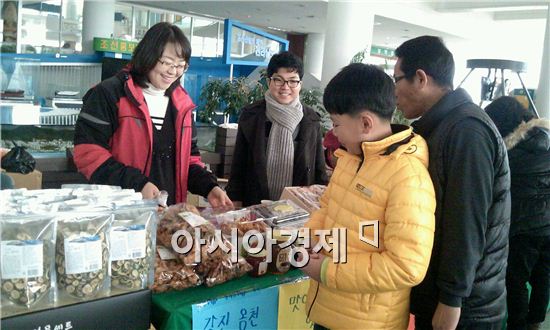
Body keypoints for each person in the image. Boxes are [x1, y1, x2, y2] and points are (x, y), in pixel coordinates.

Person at [302, 63, 436, 329]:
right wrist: (309, 241)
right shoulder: (351, 159)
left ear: (365, 123)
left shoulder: (407, 177)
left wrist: (329, 271)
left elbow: (406, 266)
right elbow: (327, 209)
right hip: (329, 309)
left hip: (367, 321)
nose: (334, 133)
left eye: (337, 124)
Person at [394, 35, 511, 329]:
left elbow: (467, 223)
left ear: (420, 78)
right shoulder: (440, 126)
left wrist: (452, 300)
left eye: (397, 79)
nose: (393, 91)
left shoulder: (467, 131)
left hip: (466, 309)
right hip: (441, 295)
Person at [74, 22, 232, 208]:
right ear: (147, 56)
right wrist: (137, 184)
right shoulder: (109, 94)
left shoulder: (182, 105)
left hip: (168, 216)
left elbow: (189, 159)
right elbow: (88, 153)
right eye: (166, 63)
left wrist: (209, 187)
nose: (173, 72)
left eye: (181, 65)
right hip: (120, 214)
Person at [225, 51, 328, 206]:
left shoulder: (310, 119)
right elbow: (238, 164)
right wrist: (235, 200)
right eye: (278, 80)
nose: (285, 87)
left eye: (292, 81)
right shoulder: (251, 115)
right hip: (255, 202)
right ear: (269, 82)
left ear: (300, 84)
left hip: (298, 207)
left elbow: (318, 167)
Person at [486, 96, 550, 330]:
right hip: (548, 226)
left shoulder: (509, 154)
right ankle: (536, 322)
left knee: (516, 281)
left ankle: (517, 325)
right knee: (543, 275)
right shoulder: (545, 140)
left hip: (523, 227)